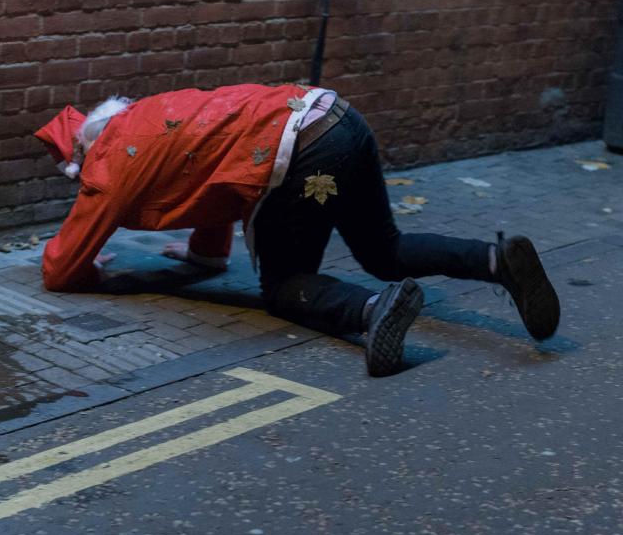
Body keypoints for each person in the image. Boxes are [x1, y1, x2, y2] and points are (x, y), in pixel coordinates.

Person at [33, 84, 560, 376]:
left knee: (285, 286)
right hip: (339, 119)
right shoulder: (149, 116)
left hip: (301, 154)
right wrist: (204, 256)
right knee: (384, 249)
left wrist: (85, 263)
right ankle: (495, 261)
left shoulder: (110, 161)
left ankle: (374, 312)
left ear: (83, 151)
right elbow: (204, 171)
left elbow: (59, 268)